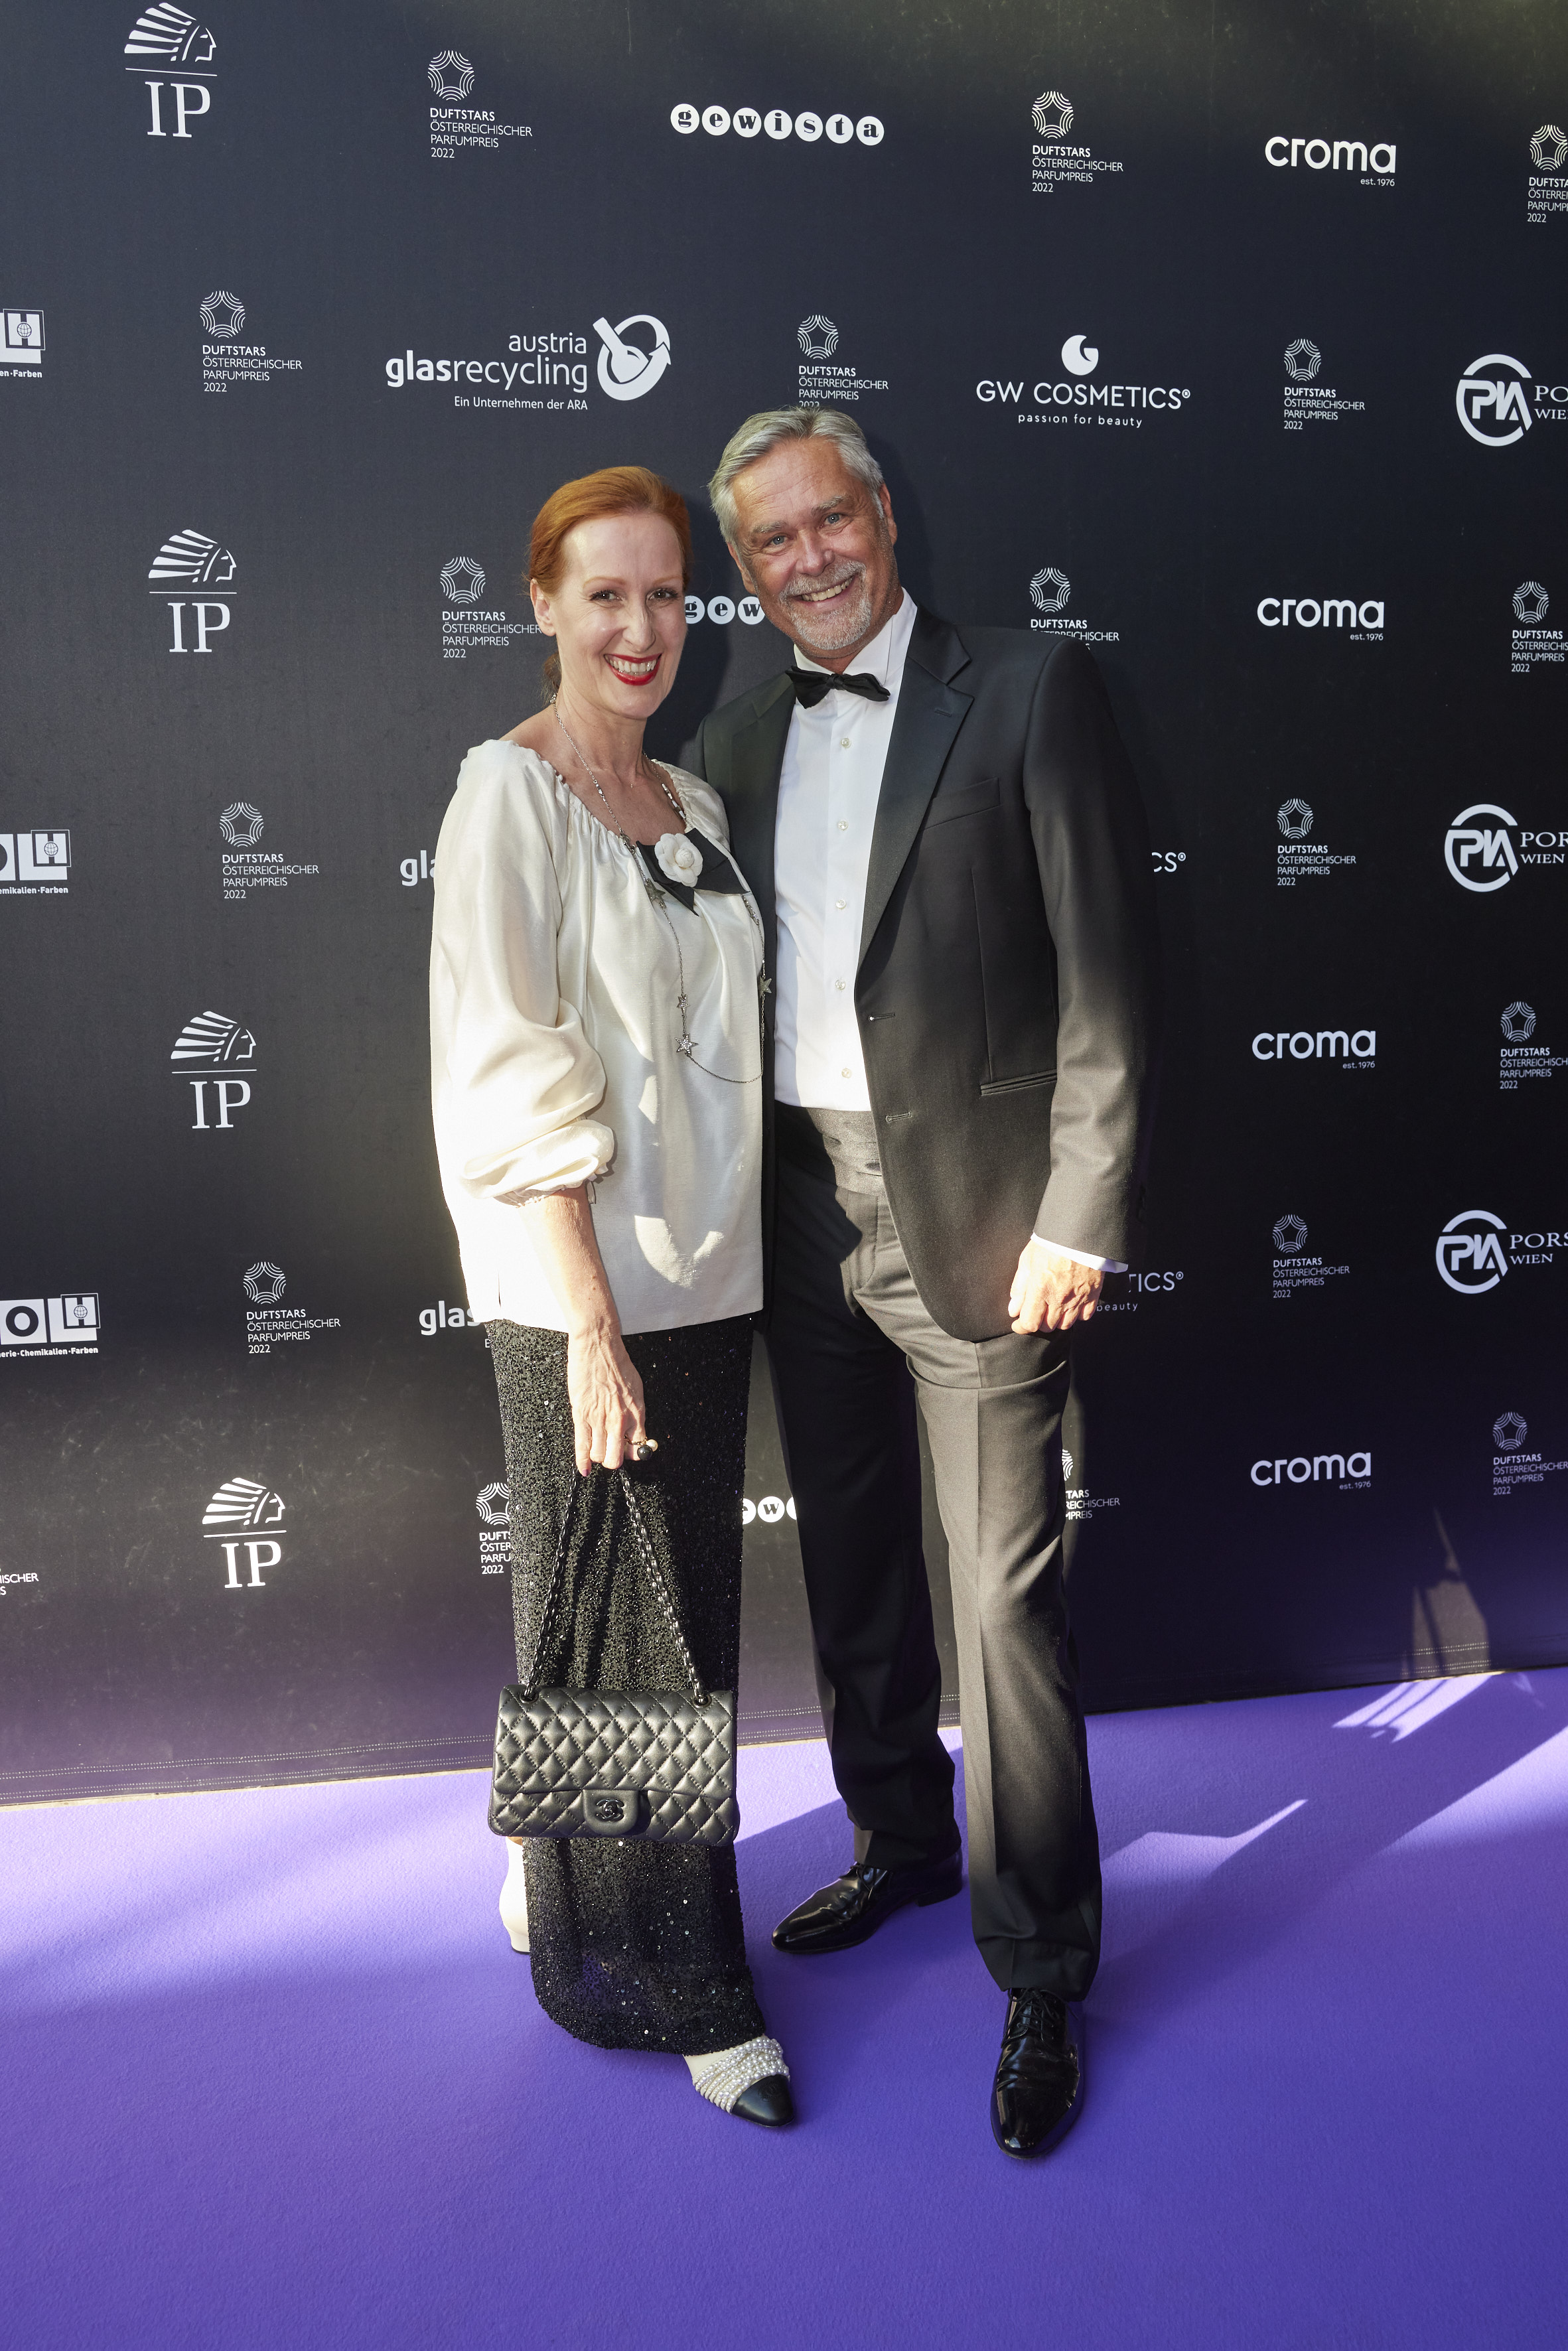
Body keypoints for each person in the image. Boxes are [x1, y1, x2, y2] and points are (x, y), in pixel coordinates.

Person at [691, 409, 1160, 2159]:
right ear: (746, 572)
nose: (808, 558)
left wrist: (1079, 1213)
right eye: (772, 541)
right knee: (851, 1554)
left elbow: (1108, 974)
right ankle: (896, 1834)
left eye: (830, 520)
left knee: (1004, 1602)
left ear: (883, 516)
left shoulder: (1029, 687)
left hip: (983, 1209)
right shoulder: (733, 737)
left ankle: (1040, 1962)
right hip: (797, 1204)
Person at [429, 465, 792, 2127]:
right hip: (579, 1284)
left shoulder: (691, 802)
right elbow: (512, 1067)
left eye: (666, 594)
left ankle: (549, 1849)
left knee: (655, 1607)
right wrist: (586, 1318)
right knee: (637, 1626)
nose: (642, 627)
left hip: (710, 1274)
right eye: (606, 597)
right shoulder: (507, 794)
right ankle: (671, 1979)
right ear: (546, 607)